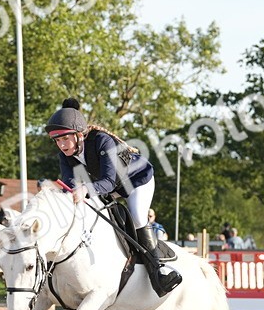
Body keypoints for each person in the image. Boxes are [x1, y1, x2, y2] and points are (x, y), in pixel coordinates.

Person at [45, 97, 181, 297]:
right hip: (111, 186)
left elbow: (107, 181)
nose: (61, 145)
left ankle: (158, 272)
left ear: (79, 135)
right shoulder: (65, 156)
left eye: (65, 138)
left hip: (137, 181)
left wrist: (85, 190)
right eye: (57, 140)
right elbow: (70, 183)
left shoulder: (102, 141)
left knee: (137, 217)